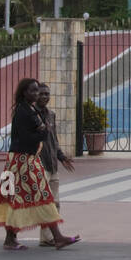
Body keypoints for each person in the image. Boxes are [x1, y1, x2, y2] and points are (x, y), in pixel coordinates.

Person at [0, 77, 80, 251]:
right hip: (21, 161)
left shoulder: (29, 110)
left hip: (26, 160)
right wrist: (42, 132)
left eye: (37, 91)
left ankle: (15, 239)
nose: (36, 94)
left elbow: (41, 135)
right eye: (33, 90)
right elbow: (24, 138)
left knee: (29, 197)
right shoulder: (24, 112)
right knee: (31, 197)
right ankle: (54, 237)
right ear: (25, 93)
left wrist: (43, 132)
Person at [34, 83, 76, 247]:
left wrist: (61, 156)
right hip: (39, 164)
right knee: (45, 203)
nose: (44, 97)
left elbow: (54, 140)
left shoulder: (51, 115)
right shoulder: (33, 115)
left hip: (52, 164)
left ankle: (47, 237)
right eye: (41, 94)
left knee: (55, 203)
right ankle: (49, 236)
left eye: (47, 94)